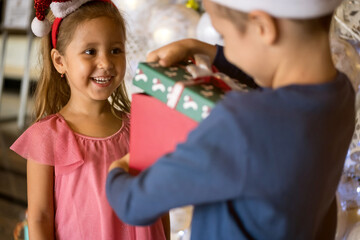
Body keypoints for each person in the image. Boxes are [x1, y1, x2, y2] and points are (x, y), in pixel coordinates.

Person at [106, 0, 356, 239]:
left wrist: (118, 171)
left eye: (224, 36)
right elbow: (271, 88)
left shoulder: (242, 124)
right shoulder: (339, 94)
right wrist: (205, 50)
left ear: (263, 27)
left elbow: (135, 204)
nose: (228, 49)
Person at [10, 0, 167, 239]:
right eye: (90, 51)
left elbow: (158, 201)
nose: (105, 63)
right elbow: (40, 216)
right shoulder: (48, 136)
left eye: (115, 50)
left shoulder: (140, 129)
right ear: (60, 61)